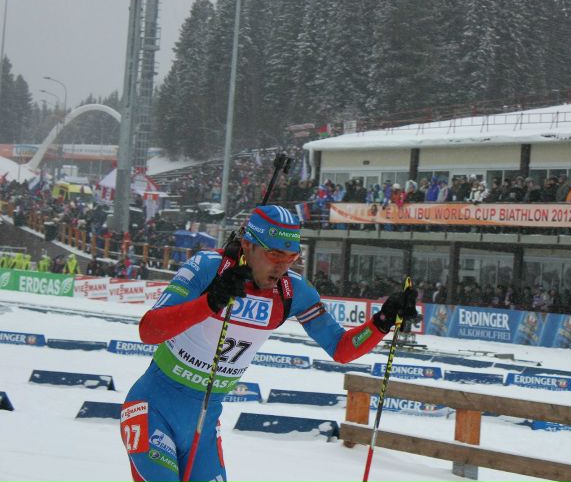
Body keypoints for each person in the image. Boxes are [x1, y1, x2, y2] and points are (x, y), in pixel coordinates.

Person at [120, 205, 419, 482]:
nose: (281, 268)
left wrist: (382, 320)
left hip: (204, 422)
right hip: (153, 408)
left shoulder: (292, 291)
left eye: (291, 258)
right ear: (248, 246)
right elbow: (149, 330)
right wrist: (210, 302)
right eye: (275, 255)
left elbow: (341, 348)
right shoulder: (209, 267)